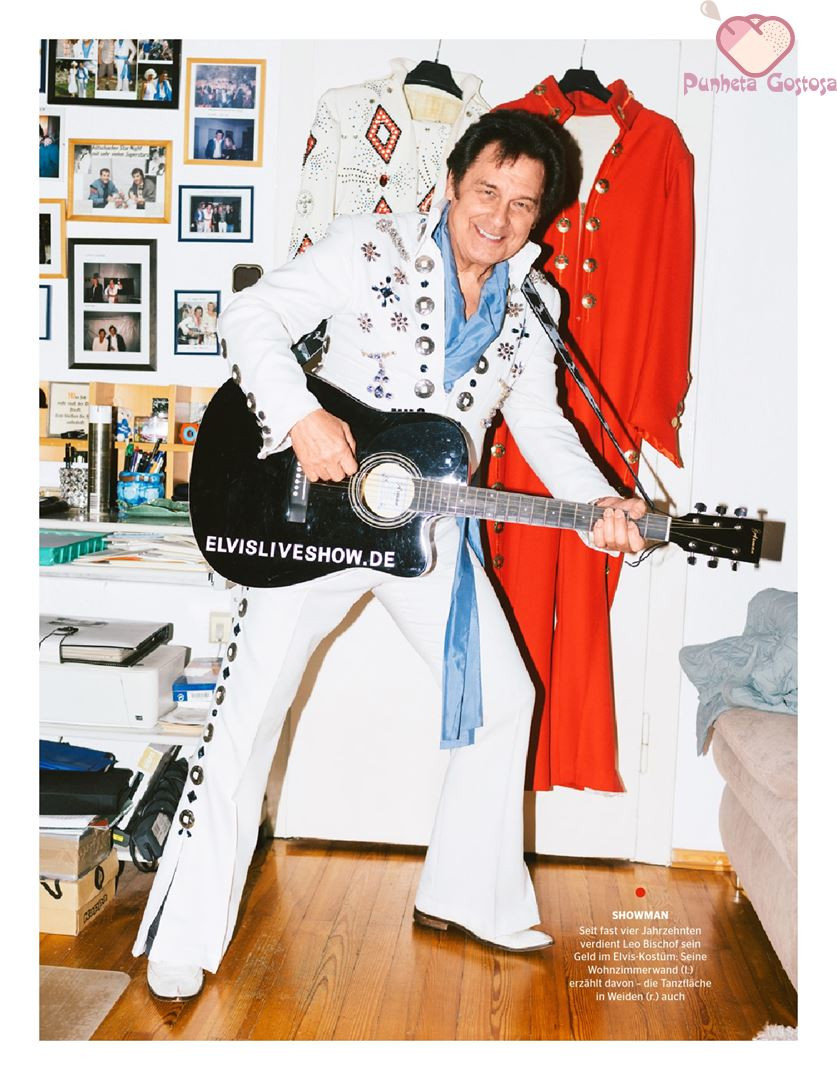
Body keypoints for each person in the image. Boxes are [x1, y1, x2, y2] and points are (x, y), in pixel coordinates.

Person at [134, 109, 647, 1001]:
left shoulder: (535, 307)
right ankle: (184, 934)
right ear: (449, 184)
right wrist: (300, 415)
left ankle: (467, 895)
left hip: (421, 529)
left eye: (521, 204)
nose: (497, 217)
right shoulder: (368, 245)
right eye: (485, 190)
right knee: (249, 714)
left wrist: (597, 503)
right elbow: (253, 313)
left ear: (541, 215)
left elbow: (540, 424)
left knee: (503, 698)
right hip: (311, 517)